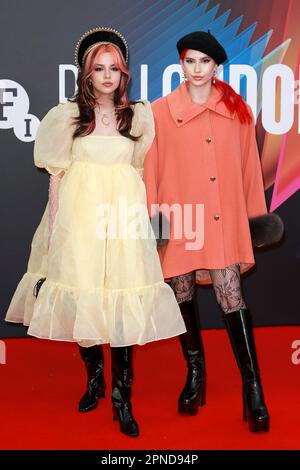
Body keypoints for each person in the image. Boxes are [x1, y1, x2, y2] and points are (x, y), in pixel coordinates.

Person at [5, 27, 186, 437]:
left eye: (114, 69)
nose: (107, 76)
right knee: (83, 302)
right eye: (98, 69)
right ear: (85, 75)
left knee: (121, 307)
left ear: (124, 73)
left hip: (123, 223)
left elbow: (144, 175)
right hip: (80, 222)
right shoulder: (66, 117)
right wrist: (56, 232)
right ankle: (95, 380)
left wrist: (149, 231)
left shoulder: (139, 115)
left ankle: (123, 400)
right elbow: (57, 177)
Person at [143, 30, 283, 433]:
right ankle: (195, 374)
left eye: (205, 62)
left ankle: (252, 386)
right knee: (182, 293)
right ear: (181, 65)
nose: (197, 69)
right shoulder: (159, 112)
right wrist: (157, 230)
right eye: (190, 61)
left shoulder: (238, 112)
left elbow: (249, 174)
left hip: (221, 222)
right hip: (179, 219)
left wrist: (253, 223)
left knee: (231, 295)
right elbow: (151, 174)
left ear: (217, 66)